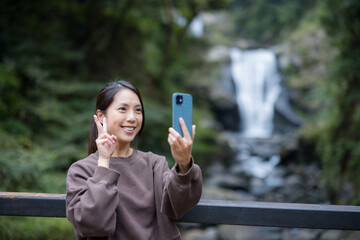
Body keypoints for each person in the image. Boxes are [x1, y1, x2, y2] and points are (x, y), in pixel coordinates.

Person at [65, 80, 202, 240]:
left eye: (138, 110)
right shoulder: (81, 170)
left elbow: (179, 205)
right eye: (123, 109)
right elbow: (94, 225)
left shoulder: (154, 164)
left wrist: (184, 164)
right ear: (101, 116)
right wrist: (103, 162)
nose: (132, 118)